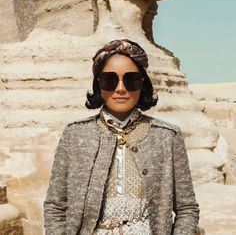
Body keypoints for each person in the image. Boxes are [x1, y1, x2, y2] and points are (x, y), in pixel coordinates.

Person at [44, 39, 199, 235]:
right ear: (98, 84)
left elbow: (187, 209)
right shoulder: (75, 135)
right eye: (110, 79)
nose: (120, 89)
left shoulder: (167, 136)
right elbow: (55, 206)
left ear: (143, 84)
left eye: (131, 79)